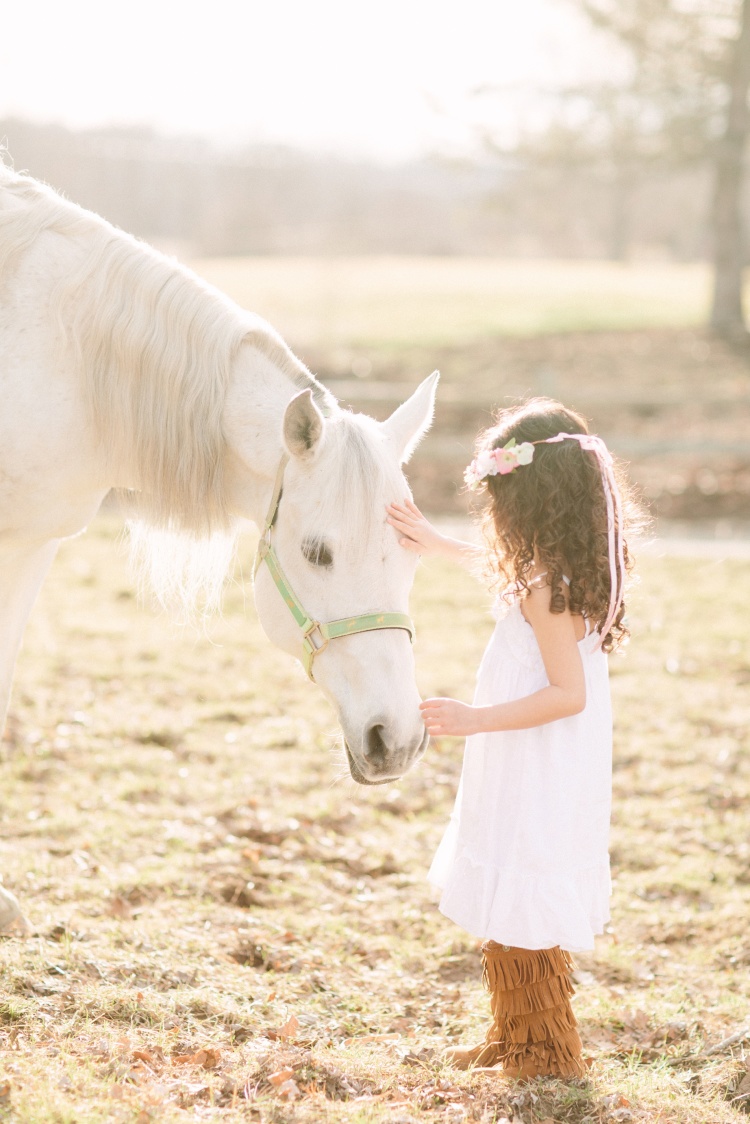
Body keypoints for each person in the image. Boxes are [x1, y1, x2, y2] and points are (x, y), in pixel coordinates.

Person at [386, 397, 641, 1080]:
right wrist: (439, 544)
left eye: (500, 500)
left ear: (531, 502)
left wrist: (472, 717)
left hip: (537, 756)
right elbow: (512, 583)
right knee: (512, 887)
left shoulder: (547, 587)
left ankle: (545, 1054)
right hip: (534, 754)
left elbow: (567, 693)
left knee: (522, 884)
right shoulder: (560, 568)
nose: (493, 516)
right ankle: (517, 1030)